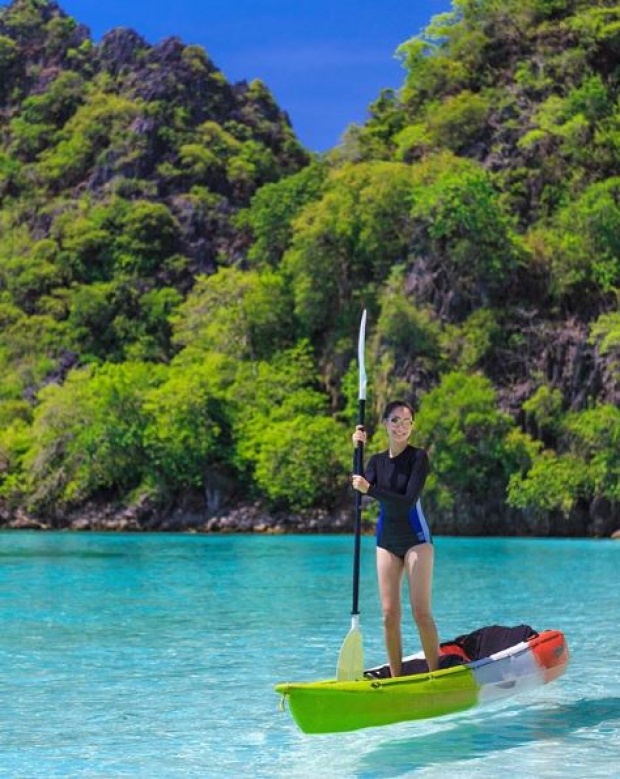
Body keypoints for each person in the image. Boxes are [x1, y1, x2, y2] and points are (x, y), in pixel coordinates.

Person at [351, 400, 439, 677]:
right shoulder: (377, 461)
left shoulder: (418, 458)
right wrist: (357, 448)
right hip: (386, 540)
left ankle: (436, 673)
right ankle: (396, 678)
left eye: (407, 422)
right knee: (389, 616)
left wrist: (371, 488)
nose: (401, 427)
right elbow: (358, 486)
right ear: (385, 424)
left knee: (420, 612)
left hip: (416, 539)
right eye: (395, 421)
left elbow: (405, 501)